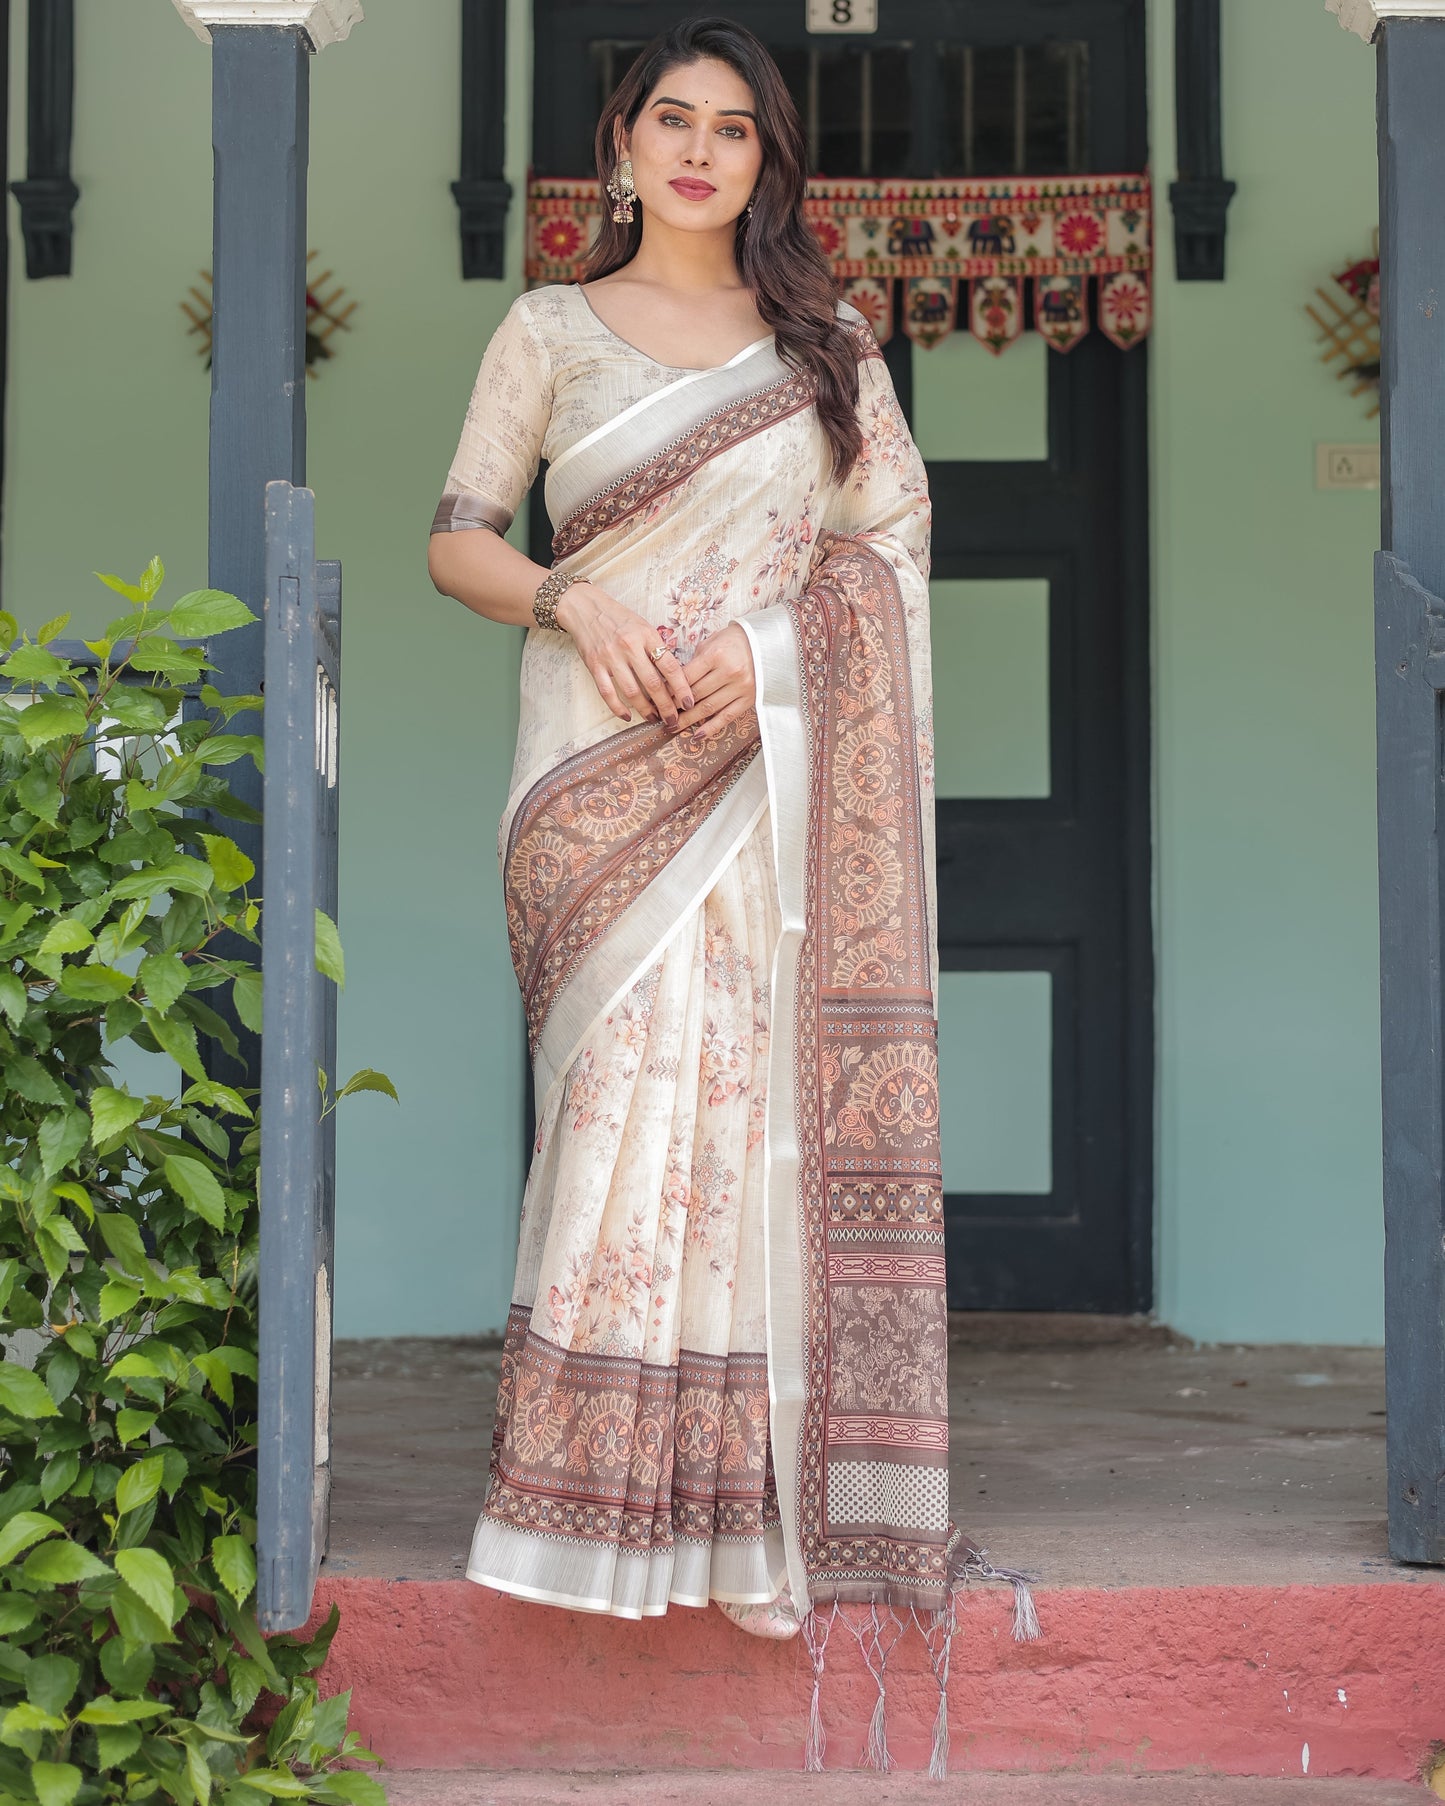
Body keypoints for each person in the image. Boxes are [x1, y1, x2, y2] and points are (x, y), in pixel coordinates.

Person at [427, 16, 1039, 1773]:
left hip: (765, 789)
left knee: (746, 1129)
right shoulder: (545, 329)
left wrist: (771, 644)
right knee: (623, 1120)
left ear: (768, 161)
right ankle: (587, 1517)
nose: (699, 152)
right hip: (591, 786)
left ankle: (741, 1514)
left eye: (733, 130)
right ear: (615, 146)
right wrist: (574, 603)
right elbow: (461, 528)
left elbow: (889, 549)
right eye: (668, 121)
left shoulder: (828, 343)